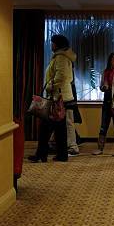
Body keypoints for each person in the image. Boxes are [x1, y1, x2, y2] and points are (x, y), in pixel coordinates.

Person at [28, 34, 76, 162]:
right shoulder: (63, 57)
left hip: (57, 96)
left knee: (45, 126)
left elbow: (62, 76)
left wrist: (50, 86)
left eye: (52, 43)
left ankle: (41, 154)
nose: (51, 45)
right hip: (61, 96)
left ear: (57, 44)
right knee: (60, 128)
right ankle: (61, 154)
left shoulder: (60, 58)